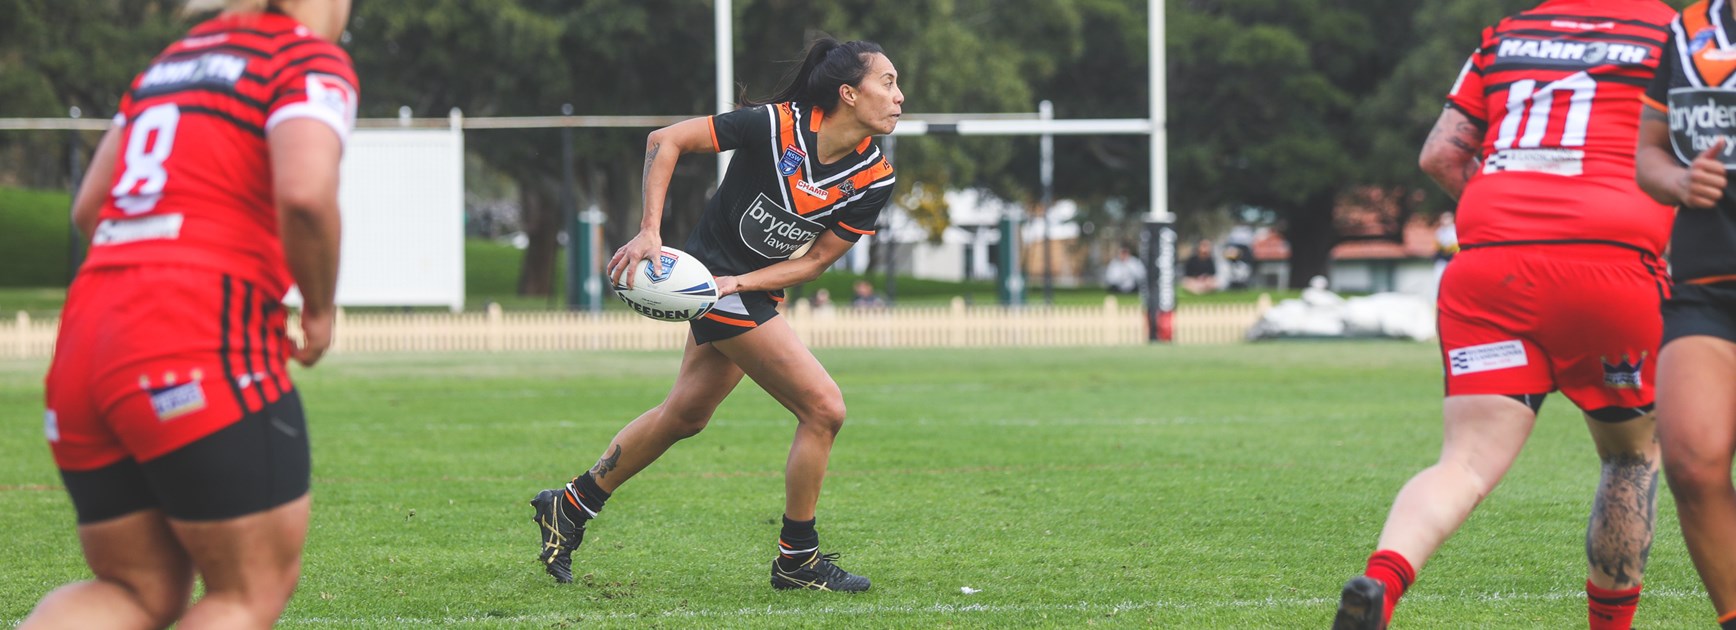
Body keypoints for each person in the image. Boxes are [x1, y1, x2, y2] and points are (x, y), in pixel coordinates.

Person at [1333, 2, 1676, 629]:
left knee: (1462, 462)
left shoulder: (1509, 34)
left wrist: (1516, 223)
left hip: (1490, 269)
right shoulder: (1673, 35)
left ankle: (1383, 579)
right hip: (1611, 268)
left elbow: (1440, 154)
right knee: (1629, 458)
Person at [24, 0, 353, 627]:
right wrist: (317, 307)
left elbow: (91, 206)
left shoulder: (172, 61)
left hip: (86, 337)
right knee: (247, 590)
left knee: (134, 589)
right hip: (192, 336)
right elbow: (306, 195)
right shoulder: (301, 56)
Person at [530, 36, 901, 592]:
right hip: (714, 286)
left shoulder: (874, 176)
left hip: (738, 290)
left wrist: (741, 282)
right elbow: (666, 139)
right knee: (824, 409)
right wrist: (650, 229)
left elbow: (818, 261)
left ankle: (570, 504)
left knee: (685, 415)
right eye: (888, 83)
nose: (900, 96)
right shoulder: (774, 125)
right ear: (849, 93)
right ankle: (797, 559)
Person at [1635, 4, 1736, 628]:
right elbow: (1648, 153)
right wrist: (1677, 181)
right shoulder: (1688, 30)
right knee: (1693, 462)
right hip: (1707, 286)